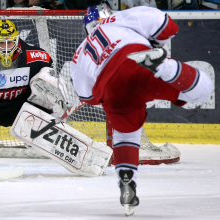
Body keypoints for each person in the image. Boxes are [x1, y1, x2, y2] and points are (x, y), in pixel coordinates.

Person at [70, 3, 213, 216]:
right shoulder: (117, 20)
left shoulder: (79, 54)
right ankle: (162, 65)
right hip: (134, 60)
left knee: (125, 132)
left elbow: (88, 97)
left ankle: (126, 184)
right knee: (203, 88)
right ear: (107, 15)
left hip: (110, 88)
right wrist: (155, 44)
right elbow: (167, 26)